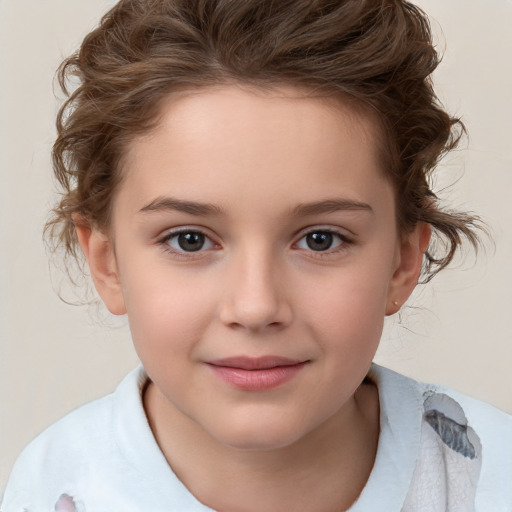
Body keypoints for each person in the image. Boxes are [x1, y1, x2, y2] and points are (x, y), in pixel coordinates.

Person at [2, 0, 511, 510]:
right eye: (190, 240)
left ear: (402, 262)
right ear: (107, 263)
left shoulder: (493, 477)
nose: (255, 306)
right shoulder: (55, 488)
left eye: (321, 239)